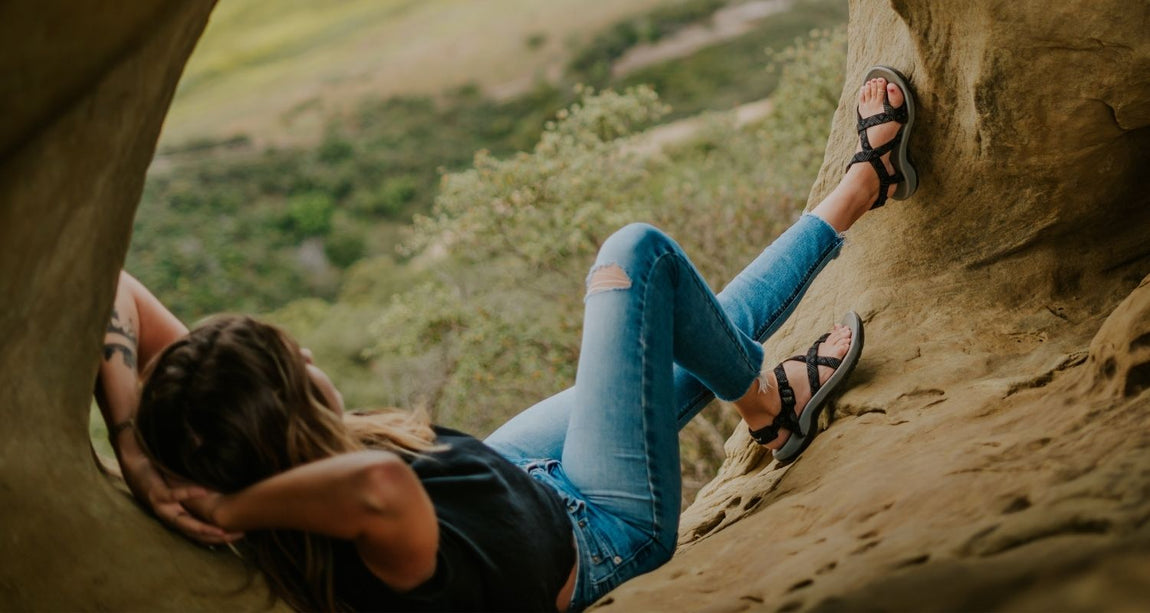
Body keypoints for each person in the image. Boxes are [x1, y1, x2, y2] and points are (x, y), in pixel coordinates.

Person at [95, 69, 916, 612]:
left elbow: (114, 284)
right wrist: (229, 508)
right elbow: (380, 481)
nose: (313, 360)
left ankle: (788, 370)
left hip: (505, 472)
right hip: (600, 525)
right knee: (637, 259)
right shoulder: (365, 532)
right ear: (278, 427)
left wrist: (131, 439)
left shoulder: (232, 455)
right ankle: (851, 214)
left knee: (669, 337)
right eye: (297, 369)